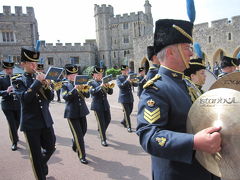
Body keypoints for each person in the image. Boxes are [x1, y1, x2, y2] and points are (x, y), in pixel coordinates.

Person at [137, 19, 221, 180]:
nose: (191, 53)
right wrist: (194, 142)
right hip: (178, 174)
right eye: (187, 48)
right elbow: (149, 136)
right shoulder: (156, 89)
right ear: (170, 52)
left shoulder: (187, 82)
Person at [12, 46, 56, 180]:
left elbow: (49, 98)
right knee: (36, 155)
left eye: (35, 62)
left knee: (51, 147)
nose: (33, 65)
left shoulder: (41, 78)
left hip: (45, 120)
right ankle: (40, 173)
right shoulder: (17, 80)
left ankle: (40, 164)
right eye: (30, 63)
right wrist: (37, 83)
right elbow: (25, 99)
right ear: (23, 64)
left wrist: (47, 85)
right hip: (31, 124)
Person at [61, 64, 89, 164]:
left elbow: (87, 95)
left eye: (76, 74)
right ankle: (82, 155)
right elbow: (66, 97)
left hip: (82, 111)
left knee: (83, 131)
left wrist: (84, 88)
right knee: (79, 136)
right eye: (72, 75)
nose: (74, 76)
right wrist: (75, 89)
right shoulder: (64, 84)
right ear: (68, 76)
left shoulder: (82, 83)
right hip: (71, 113)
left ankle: (74, 143)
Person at [88, 66, 113, 146]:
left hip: (105, 104)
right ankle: (103, 139)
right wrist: (101, 86)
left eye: (101, 74)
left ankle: (101, 131)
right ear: (93, 75)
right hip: (97, 106)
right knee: (101, 123)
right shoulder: (91, 83)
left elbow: (110, 92)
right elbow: (92, 92)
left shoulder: (103, 81)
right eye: (98, 74)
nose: (100, 76)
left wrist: (108, 86)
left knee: (108, 119)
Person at [0, 59, 21, 151]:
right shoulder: (1, 79)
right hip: (7, 105)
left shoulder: (17, 78)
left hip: (17, 104)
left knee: (18, 122)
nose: (10, 70)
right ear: (4, 69)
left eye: (11, 69)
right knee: (12, 124)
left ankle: (14, 135)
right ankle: (14, 142)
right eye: (8, 69)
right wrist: (6, 91)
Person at [117, 65, 138, 133]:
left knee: (130, 110)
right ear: (121, 71)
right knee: (126, 112)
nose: (126, 71)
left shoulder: (129, 76)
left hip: (130, 97)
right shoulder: (119, 77)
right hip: (123, 97)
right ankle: (129, 126)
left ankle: (123, 121)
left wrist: (134, 81)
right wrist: (127, 80)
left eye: (127, 70)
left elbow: (136, 85)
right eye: (125, 70)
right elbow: (121, 86)